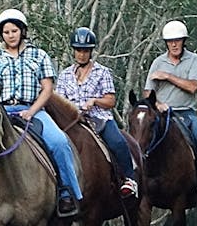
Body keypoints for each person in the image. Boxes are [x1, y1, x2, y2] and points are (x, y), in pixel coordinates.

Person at [0, 9, 83, 224]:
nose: (10, 35)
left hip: (33, 110)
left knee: (59, 142)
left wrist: (32, 110)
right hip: (2, 113)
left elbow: (47, 88)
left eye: (14, 30)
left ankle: (67, 193)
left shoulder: (39, 56)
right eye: (6, 31)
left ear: (22, 31)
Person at [54, 27, 139, 197]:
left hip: (99, 118)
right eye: (78, 50)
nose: (81, 54)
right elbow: (59, 100)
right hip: (72, 120)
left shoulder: (102, 72)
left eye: (85, 50)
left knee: (117, 142)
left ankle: (129, 179)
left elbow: (110, 101)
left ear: (91, 51)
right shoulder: (64, 75)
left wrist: (94, 101)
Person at [144, 20, 197, 196]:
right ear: (166, 43)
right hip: (161, 112)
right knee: (141, 133)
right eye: (170, 41)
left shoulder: (194, 60)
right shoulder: (157, 62)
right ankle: (138, 175)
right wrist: (157, 104)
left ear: (184, 41)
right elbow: (147, 92)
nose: (174, 44)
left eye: (178, 40)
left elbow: (192, 87)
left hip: (186, 112)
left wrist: (168, 76)